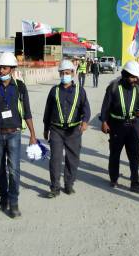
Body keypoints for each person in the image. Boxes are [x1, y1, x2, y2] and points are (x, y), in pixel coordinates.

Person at [0, 52, 37, 219]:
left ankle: (14, 203)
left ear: (12, 70)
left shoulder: (20, 87)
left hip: (14, 134)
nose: (1, 70)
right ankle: (3, 201)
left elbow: (27, 112)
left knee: (14, 170)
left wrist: (33, 135)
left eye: (4, 67)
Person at [43, 60, 91, 198]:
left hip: (73, 131)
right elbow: (48, 111)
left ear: (73, 73)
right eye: (62, 73)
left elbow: (86, 109)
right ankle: (55, 188)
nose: (64, 75)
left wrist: (85, 121)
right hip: (56, 130)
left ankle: (69, 185)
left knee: (72, 159)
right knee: (55, 159)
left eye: (67, 73)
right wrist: (46, 129)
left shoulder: (80, 91)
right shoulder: (54, 91)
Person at [100, 61, 139, 193]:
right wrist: (104, 122)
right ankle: (114, 179)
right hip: (116, 126)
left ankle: (134, 183)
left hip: (132, 127)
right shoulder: (113, 87)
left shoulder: (137, 89)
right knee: (115, 154)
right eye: (132, 77)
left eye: (136, 77)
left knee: (134, 156)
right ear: (125, 75)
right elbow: (105, 106)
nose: (134, 80)